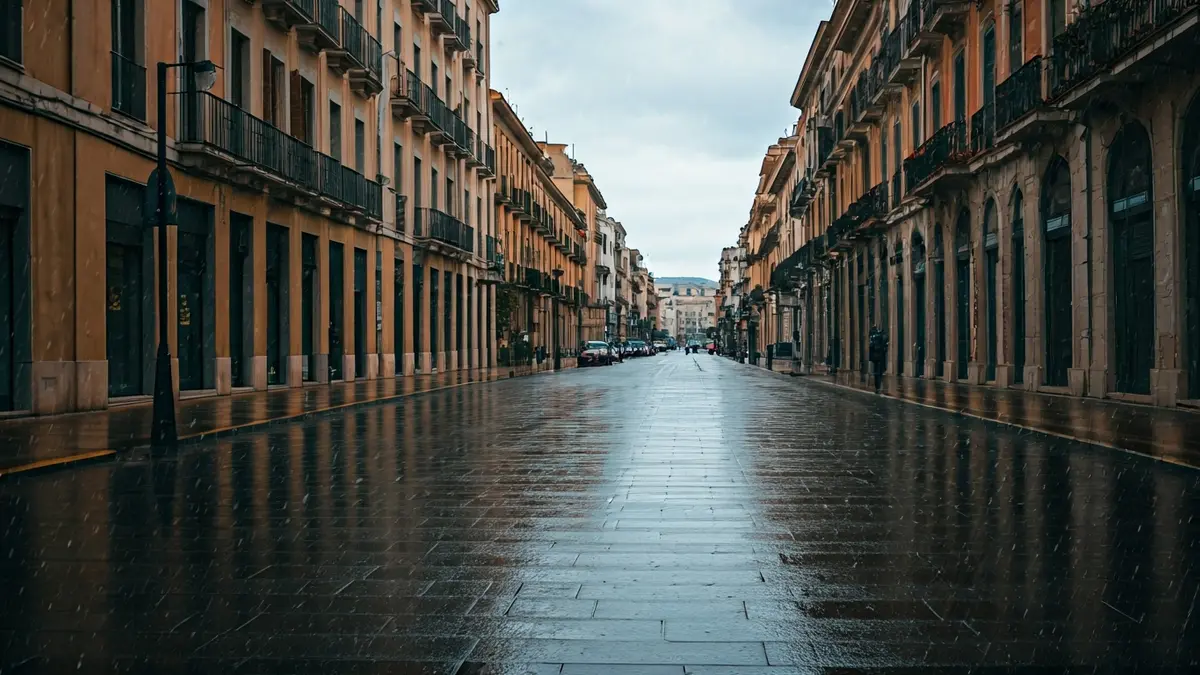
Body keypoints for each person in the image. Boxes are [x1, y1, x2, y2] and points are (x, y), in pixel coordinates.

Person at [868, 326, 888, 394]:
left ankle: (877, 386)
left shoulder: (872, 337)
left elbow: (871, 346)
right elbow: (884, 345)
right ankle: (878, 385)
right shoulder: (881, 336)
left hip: (875, 356)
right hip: (880, 356)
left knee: (876, 371)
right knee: (879, 372)